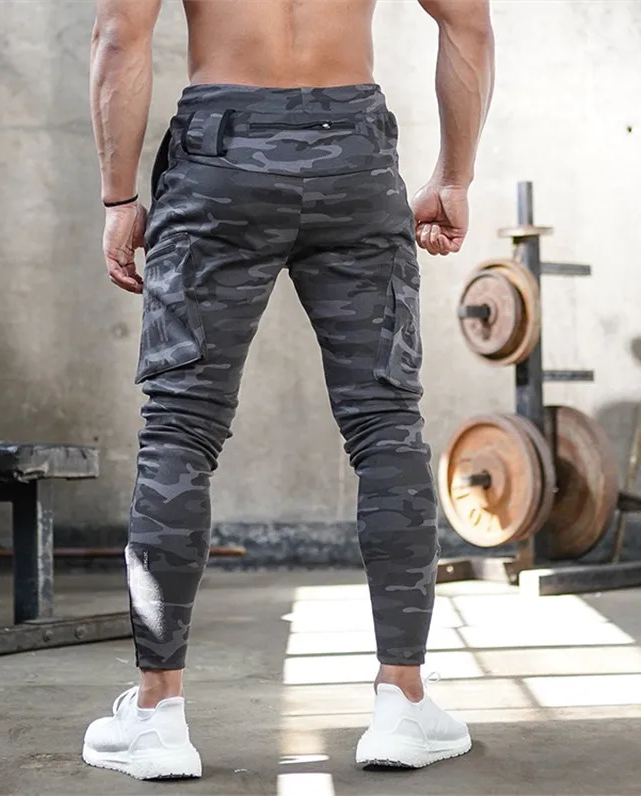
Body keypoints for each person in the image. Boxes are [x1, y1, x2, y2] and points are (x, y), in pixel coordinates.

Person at [83, 0, 494, 781]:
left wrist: (118, 198)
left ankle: (158, 716)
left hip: (219, 156)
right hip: (353, 152)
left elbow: (118, 34)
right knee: (385, 428)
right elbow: (467, 20)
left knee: (179, 431)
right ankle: (403, 703)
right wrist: (454, 175)